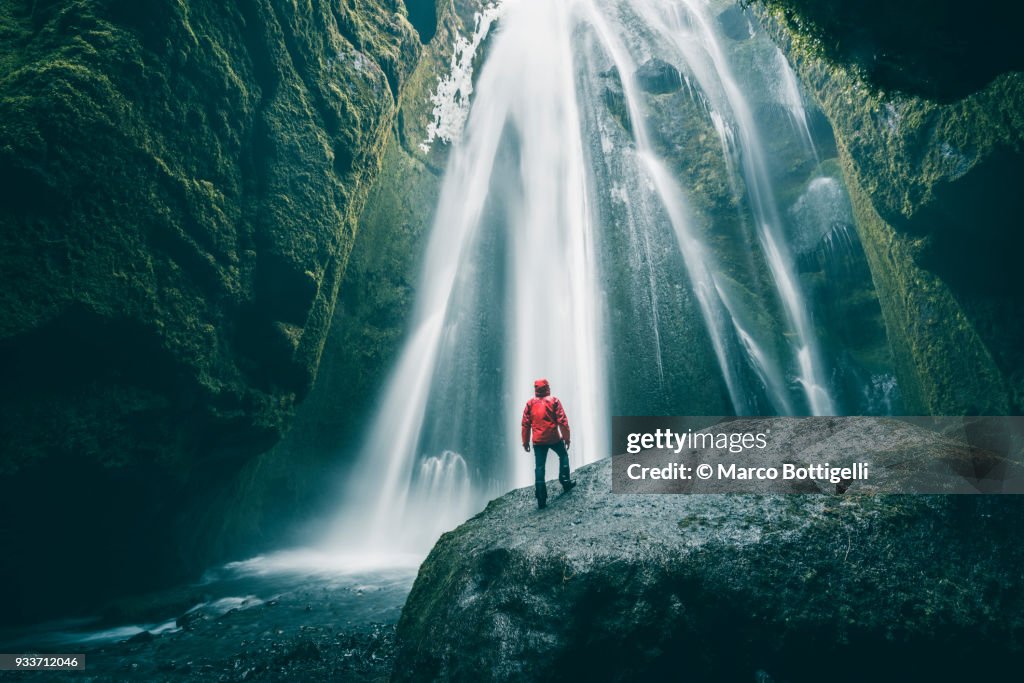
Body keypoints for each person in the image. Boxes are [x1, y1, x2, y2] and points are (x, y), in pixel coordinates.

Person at [521, 378, 576, 509]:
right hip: (553, 438)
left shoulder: (530, 404)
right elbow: (562, 421)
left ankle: (541, 497)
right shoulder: (554, 401)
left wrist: (525, 441)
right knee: (563, 455)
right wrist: (566, 438)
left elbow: (525, 424)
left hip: (538, 441)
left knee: (539, 467)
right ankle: (565, 481)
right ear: (547, 388)